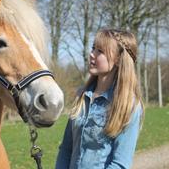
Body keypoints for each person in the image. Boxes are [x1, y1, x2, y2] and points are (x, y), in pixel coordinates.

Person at [55, 28, 144, 169]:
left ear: (118, 60)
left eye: (100, 51)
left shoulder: (129, 106)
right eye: (93, 48)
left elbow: (120, 164)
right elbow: (66, 149)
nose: (92, 54)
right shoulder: (81, 97)